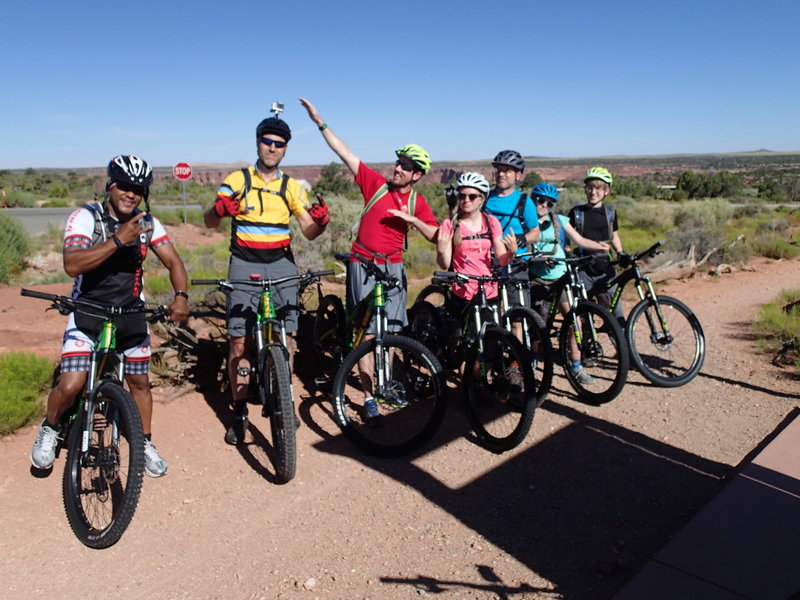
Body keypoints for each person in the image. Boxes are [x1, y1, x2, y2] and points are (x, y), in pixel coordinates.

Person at [30, 155, 190, 477]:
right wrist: (119, 240)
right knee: (71, 385)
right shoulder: (86, 217)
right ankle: (50, 428)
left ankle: (143, 442)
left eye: (138, 189)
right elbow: (72, 264)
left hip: (131, 311)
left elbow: (174, 262)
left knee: (140, 382)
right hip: (88, 309)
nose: (131, 195)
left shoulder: (148, 223)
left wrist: (181, 298)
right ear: (110, 186)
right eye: (126, 187)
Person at [299, 97, 439, 420]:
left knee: (388, 331)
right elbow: (343, 152)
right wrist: (319, 120)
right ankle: (367, 396)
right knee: (365, 333)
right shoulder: (375, 183)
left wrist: (414, 221)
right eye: (398, 162)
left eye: (405, 166)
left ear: (417, 175)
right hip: (362, 263)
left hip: (392, 268)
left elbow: (434, 236)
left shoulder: (417, 202)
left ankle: (385, 385)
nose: (398, 167)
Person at [204, 110, 329, 444]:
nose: (272, 148)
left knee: (285, 338)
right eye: (267, 141)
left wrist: (322, 223)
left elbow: (308, 230)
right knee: (239, 341)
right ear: (258, 142)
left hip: (281, 263)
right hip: (244, 263)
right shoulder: (237, 179)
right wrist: (218, 211)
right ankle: (240, 411)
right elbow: (210, 221)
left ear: (286, 149)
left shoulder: (290, 186)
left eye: (279, 144)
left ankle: (283, 400)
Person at [527, 182, 610, 384]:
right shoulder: (527, 222)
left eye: (549, 203)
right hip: (538, 278)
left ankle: (575, 365)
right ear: (532, 200)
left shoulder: (559, 220)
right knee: (539, 323)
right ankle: (532, 359)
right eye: (540, 201)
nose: (544, 205)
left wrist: (600, 247)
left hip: (561, 275)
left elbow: (579, 240)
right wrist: (533, 256)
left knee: (575, 322)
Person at [437, 172, 516, 304]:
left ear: (482, 199)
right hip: (463, 289)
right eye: (462, 196)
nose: (466, 200)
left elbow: (501, 260)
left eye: (472, 196)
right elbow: (444, 264)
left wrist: (511, 252)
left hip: (489, 290)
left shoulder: (491, 222)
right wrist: (440, 251)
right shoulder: (450, 224)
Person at [567, 167, 627, 321]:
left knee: (615, 314)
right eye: (590, 188)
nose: (593, 192)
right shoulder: (576, 213)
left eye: (598, 188)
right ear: (585, 190)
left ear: (606, 191)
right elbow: (565, 235)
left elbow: (613, 234)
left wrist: (620, 252)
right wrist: (567, 251)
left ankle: (621, 342)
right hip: (583, 269)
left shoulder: (610, 213)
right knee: (583, 315)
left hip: (605, 268)